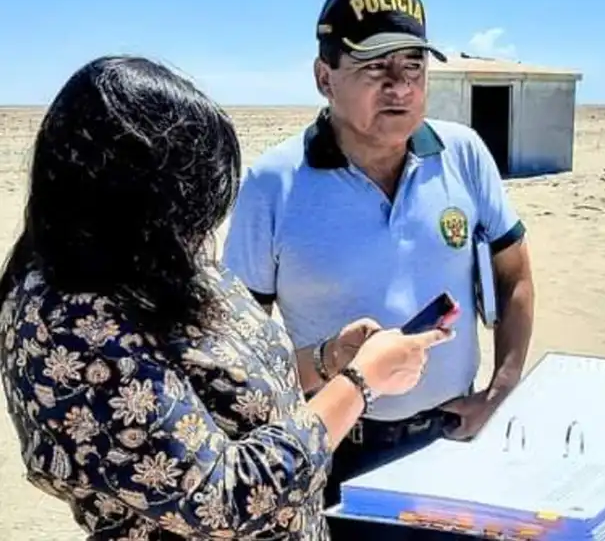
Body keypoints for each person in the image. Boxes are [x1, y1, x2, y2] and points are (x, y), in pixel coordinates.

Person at [0, 55, 453, 540]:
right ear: (131, 193)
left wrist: (329, 359)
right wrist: (362, 384)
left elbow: (226, 381)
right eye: (189, 197)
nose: (202, 224)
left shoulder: (155, 256)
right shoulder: (66, 323)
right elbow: (220, 500)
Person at [221, 0, 534, 538]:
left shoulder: (462, 153)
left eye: (413, 67)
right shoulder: (274, 184)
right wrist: (325, 362)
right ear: (324, 77)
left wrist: (500, 392)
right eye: (374, 68)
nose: (400, 88)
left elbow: (514, 278)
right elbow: (237, 352)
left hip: (452, 440)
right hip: (336, 452)